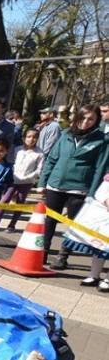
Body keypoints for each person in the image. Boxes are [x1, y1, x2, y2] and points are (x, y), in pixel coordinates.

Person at [39, 104, 109, 270]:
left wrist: (92, 193)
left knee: (73, 224)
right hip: (55, 184)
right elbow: (51, 159)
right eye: (83, 117)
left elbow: (100, 168)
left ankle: (63, 256)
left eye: (91, 119)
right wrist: (42, 182)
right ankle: (42, 251)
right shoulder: (65, 134)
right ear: (77, 117)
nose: (86, 122)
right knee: (49, 220)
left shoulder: (101, 140)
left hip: (79, 188)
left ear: (96, 120)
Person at [0, 128, 44, 231]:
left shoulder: (39, 153)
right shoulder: (17, 149)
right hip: (13, 179)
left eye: (34, 137)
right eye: (29, 137)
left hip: (27, 182)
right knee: (5, 199)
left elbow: (39, 170)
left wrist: (29, 177)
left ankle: (12, 225)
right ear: (24, 138)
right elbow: (11, 163)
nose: (31, 139)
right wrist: (10, 175)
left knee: (20, 202)